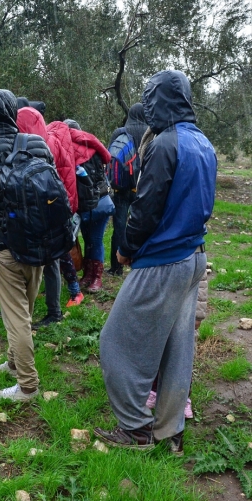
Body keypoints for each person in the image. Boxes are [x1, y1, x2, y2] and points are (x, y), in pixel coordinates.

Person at [94, 70, 217, 455]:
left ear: (159, 101)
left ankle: (135, 429)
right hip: (194, 259)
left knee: (114, 341)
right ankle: (170, 431)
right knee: (176, 349)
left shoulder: (166, 143)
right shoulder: (204, 143)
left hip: (163, 260)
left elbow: (145, 210)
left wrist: (125, 248)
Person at [0, 89, 56, 401]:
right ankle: (14, 364)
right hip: (39, 244)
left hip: (3, 247)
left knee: (16, 317)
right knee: (24, 311)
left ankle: (27, 386)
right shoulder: (38, 144)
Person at [16, 107, 86, 328]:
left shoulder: (39, 146)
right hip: (57, 209)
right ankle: (45, 306)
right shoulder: (52, 140)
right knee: (53, 259)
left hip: (47, 211)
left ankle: (54, 311)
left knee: (53, 260)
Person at [65, 119, 114, 293]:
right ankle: (89, 274)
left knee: (95, 239)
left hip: (94, 203)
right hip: (93, 201)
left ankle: (96, 278)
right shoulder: (94, 147)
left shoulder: (71, 151)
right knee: (90, 239)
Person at [107, 103, 148, 276]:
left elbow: (109, 158)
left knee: (120, 227)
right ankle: (140, 264)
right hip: (143, 187)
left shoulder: (121, 132)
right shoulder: (151, 132)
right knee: (141, 225)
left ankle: (116, 268)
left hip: (122, 188)